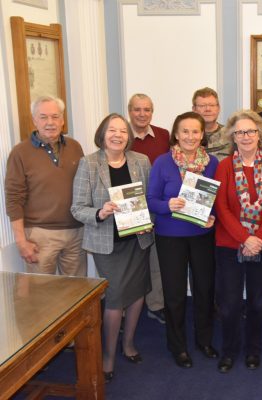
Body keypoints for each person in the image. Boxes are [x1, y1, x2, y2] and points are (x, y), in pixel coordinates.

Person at [71, 113, 153, 382]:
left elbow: (149, 200)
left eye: (122, 131)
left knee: (138, 292)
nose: (118, 135)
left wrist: (147, 221)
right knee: (116, 297)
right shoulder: (89, 163)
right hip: (108, 243)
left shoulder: (141, 161)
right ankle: (107, 355)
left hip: (137, 240)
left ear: (128, 136)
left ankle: (128, 344)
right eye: (112, 130)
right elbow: (77, 208)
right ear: (102, 134)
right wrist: (100, 212)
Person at [214, 110, 262, 373]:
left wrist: (258, 239)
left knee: (257, 301)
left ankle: (253, 349)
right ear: (233, 136)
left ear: (259, 135)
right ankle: (229, 350)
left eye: (251, 131)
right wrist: (245, 238)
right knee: (230, 303)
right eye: (240, 132)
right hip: (230, 244)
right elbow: (222, 207)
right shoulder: (224, 167)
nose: (246, 137)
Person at [147, 112, 219, 368]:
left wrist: (213, 217)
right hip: (170, 237)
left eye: (195, 132)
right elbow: (150, 200)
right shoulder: (162, 163)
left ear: (202, 135)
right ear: (176, 134)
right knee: (175, 294)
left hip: (201, 235)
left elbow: (217, 199)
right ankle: (177, 346)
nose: (190, 136)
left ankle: (204, 340)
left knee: (204, 290)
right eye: (185, 131)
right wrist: (168, 205)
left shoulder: (212, 163)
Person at [5, 95, 86, 275]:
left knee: (77, 293)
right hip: (40, 236)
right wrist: (21, 241)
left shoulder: (75, 147)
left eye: (55, 116)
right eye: (43, 117)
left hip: (75, 233)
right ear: (34, 120)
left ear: (62, 120)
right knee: (41, 296)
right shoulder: (20, 153)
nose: (50, 122)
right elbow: (13, 199)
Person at [128, 93, 169, 324]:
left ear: (152, 111)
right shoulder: (122, 136)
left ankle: (156, 304)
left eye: (146, 109)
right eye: (137, 109)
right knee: (131, 260)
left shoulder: (163, 135)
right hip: (131, 206)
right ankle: (125, 309)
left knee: (156, 260)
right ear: (129, 111)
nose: (142, 114)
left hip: (158, 205)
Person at [192, 87, 231, 160]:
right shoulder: (187, 137)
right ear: (194, 109)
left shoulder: (231, 135)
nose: (208, 109)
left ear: (218, 108)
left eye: (212, 105)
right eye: (202, 106)